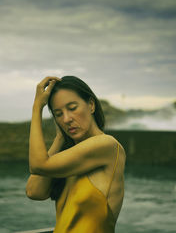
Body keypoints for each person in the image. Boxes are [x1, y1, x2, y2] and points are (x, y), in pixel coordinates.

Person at [26, 76, 126, 233]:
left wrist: (37, 107)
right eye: (58, 114)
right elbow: (34, 191)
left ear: (91, 105)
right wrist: (60, 138)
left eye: (72, 108)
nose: (66, 119)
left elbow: (38, 165)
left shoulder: (107, 145)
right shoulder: (70, 158)